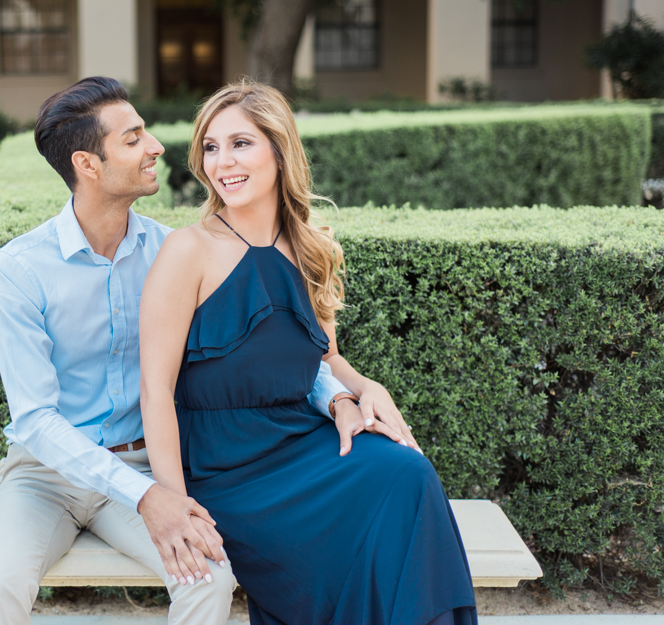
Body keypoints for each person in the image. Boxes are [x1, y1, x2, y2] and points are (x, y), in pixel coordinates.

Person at [0, 77, 419, 624]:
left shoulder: (173, 250)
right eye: (134, 139)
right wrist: (148, 499)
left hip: (148, 463)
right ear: (88, 164)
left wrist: (337, 397)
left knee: (208, 579)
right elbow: (36, 420)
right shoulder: (19, 270)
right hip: (45, 475)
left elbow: (265, 353)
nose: (157, 146)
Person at [139, 80, 478, 625]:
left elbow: (325, 359)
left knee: (407, 473)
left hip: (301, 441)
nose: (223, 161)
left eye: (241, 144)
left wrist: (362, 388)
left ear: (279, 150)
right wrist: (175, 503)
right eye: (211, 146)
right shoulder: (188, 251)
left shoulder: (310, 246)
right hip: (225, 470)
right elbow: (155, 390)